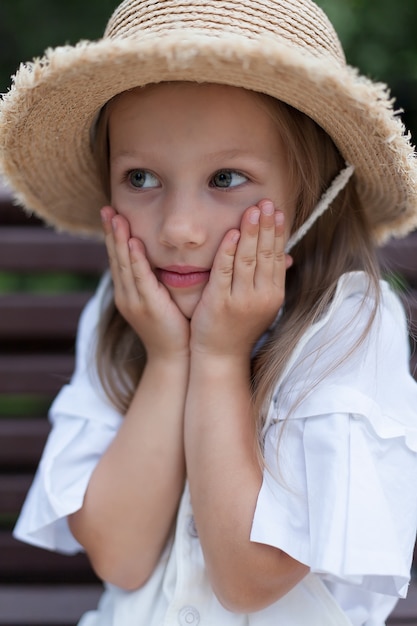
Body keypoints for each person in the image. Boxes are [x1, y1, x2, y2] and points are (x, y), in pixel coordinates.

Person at [1, 0, 417, 624]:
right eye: (140, 178)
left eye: (226, 178)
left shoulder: (349, 324)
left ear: (313, 187)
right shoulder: (124, 313)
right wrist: (169, 357)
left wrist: (219, 356)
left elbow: (250, 581)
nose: (180, 229)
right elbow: (120, 556)